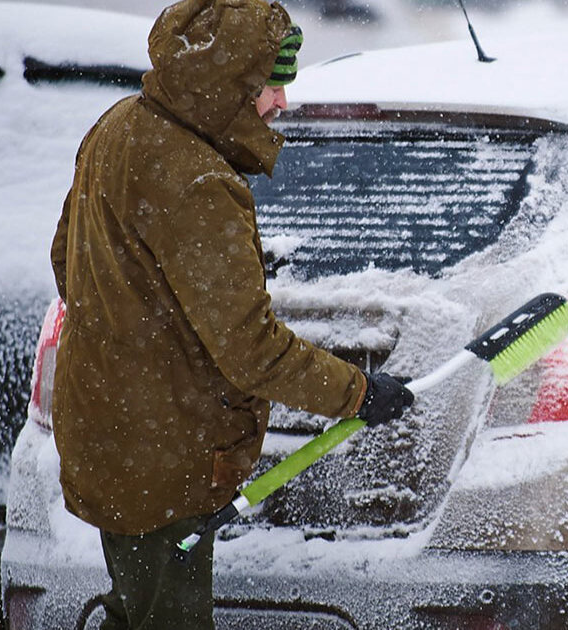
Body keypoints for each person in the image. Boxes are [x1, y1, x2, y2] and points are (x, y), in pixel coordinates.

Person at [48, 1, 414, 628]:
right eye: (273, 86)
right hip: (165, 456)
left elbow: (66, 260)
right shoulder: (197, 181)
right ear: (231, 84)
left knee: (136, 608)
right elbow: (250, 350)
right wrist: (357, 393)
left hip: (110, 440)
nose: (281, 104)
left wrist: (139, 340)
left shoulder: (119, 127)